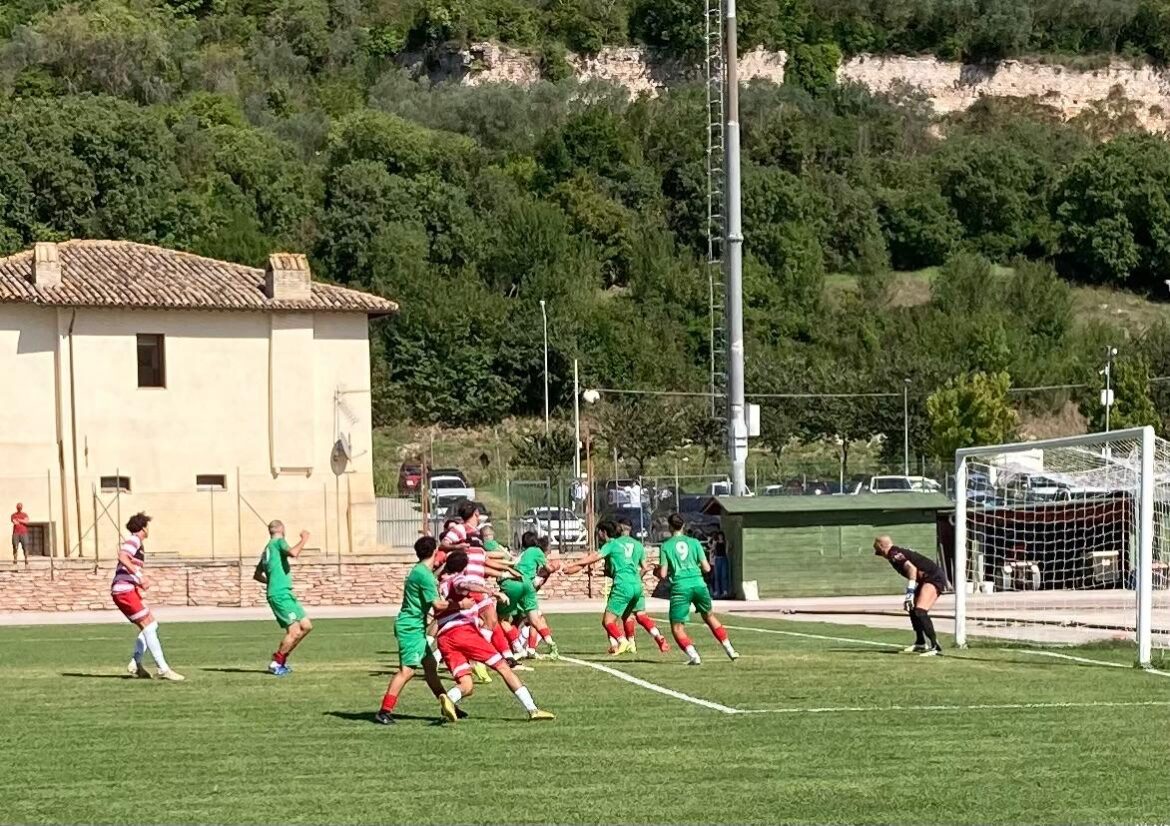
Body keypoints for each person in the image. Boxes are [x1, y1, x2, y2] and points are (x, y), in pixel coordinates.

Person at [433, 551, 554, 722]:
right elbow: (464, 585)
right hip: (462, 632)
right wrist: (492, 592)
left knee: (467, 685)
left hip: (444, 638)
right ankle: (532, 709)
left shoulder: (442, 581)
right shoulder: (457, 579)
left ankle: (449, 698)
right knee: (503, 667)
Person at [375, 536, 469, 724]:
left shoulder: (420, 570)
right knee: (407, 671)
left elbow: (432, 582)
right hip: (410, 627)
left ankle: (449, 706)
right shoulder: (424, 575)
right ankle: (384, 711)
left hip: (415, 626)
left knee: (430, 668)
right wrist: (460, 605)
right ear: (435, 551)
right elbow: (437, 605)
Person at [440, 502, 528, 671]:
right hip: (467, 583)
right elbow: (443, 544)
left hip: (478, 582)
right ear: (476, 513)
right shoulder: (461, 529)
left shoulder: (476, 535)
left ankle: (470, 658)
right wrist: (457, 547)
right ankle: (478, 659)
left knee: (485, 622)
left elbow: (483, 560)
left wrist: (506, 570)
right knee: (489, 619)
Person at [564, 520, 668, 655]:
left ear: (604, 532)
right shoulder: (637, 545)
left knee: (608, 621)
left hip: (622, 584)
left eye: (598, 532)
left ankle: (622, 642)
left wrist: (575, 563)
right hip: (636, 584)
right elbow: (644, 567)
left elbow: (595, 556)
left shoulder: (612, 544)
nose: (598, 535)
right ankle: (652, 638)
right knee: (635, 615)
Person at [110, 513, 184, 681]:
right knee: (149, 627)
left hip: (127, 590)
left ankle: (136, 663)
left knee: (151, 625)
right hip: (124, 591)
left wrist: (137, 581)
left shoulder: (137, 543)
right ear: (143, 528)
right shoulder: (134, 540)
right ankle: (163, 669)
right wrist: (139, 576)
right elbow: (123, 556)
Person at [657, 514, 738, 665]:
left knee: (677, 627)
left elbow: (662, 574)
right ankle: (730, 649)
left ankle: (694, 656)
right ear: (683, 525)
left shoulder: (666, 546)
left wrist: (658, 571)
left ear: (670, 527)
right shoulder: (694, 542)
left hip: (681, 587)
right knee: (709, 616)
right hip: (699, 584)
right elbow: (707, 568)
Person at [254, 520, 312, 675]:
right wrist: (304, 538)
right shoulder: (279, 542)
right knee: (294, 631)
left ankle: (281, 660)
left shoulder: (267, 550)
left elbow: (257, 575)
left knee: (306, 626)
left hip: (284, 593)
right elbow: (293, 553)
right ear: (282, 530)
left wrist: (272, 582)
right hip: (280, 595)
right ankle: (276, 663)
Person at [873, 535, 946, 656]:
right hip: (925, 580)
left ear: (881, 546)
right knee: (912, 608)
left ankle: (935, 646)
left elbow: (911, 568)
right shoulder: (895, 553)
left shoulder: (893, 553)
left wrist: (910, 591)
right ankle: (920, 642)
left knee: (920, 611)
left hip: (933, 578)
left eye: (876, 548)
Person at [499, 531, 561, 659]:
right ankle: (549, 646)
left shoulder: (523, 555)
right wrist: (556, 567)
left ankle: (517, 648)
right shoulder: (537, 552)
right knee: (535, 619)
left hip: (514, 584)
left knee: (506, 620)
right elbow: (548, 569)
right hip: (526, 586)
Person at [711, 531, 730, 599]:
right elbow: (712, 549)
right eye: (719, 536)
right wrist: (713, 543)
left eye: (721, 536)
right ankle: (717, 591)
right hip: (717, 559)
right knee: (717, 576)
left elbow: (726, 551)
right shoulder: (715, 542)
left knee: (724, 575)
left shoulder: (725, 542)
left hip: (723, 558)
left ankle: (724, 590)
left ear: (723, 536)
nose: (720, 537)